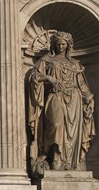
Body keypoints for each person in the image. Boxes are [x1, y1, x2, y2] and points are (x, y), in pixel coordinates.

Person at [28, 31, 95, 176]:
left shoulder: (75, 64)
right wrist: (47, 78)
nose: (60, 46)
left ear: (68, 45)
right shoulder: (46, 60)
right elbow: (34, 77)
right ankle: (51, 156)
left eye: (63, 44)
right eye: (57, 44)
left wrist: (89, 100)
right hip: (55, 96)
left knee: (71, 133)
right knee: (56, 125)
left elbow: (82, 85)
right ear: (53, 45)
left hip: (74, 99)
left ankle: (66, 163)